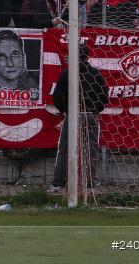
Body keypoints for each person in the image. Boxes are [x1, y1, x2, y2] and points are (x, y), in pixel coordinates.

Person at [50, 44, 109, 192]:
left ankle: (58, 183)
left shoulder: (67, 73)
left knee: (64, 149)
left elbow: (57, 96)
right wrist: (96, 109)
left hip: (73, 115)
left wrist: (63, 110)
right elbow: (104, 97)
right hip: (90, 115)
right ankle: (89, 185)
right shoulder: (96, 74)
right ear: (88, 57)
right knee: (91, 150)